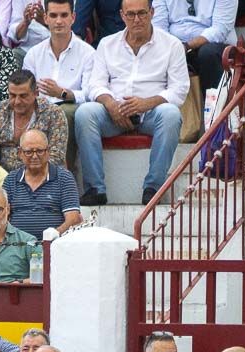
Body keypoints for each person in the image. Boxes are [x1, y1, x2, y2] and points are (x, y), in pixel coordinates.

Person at [76, 0, 187, 206]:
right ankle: (95, 189)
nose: (137, 19)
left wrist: (146, 103)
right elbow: (95, 85)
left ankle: (153, 187)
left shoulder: (172, 45)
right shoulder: (107, 44)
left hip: (152, 113)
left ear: (152, 12)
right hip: (113, 113)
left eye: (142, 13)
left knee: (171, 114)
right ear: (121, 15)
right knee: (85, 113)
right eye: (131, 14)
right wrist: (111, 104)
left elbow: (179, 90)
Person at [23, 0, 95, 167]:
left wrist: (62, 93)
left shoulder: (88, 53)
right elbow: (27, 90)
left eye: (64, 15)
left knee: (62, 113)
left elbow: (90, 93)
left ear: (73, 17)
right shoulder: (33, 54)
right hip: (39, 107)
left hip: (69, 107)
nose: (59, 21)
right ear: (46, 18)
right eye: (53, 15)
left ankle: (62, 175)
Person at [0, 69, 68, 172]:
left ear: (36, 93)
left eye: (23, 96)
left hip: (42, 176)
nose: (17, 101)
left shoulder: (54, 113)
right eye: (12, 95)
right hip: (2, 178)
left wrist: (26, 177)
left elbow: (56, 157)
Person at [4, 129, 81, 239]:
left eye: (39, 151)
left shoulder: (64, 178)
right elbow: (2, 216)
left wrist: (55, 234)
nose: (35, 156)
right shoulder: (11, 180)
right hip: (18, 247)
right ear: (20, 153)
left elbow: (73, 219)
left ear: (48, 152)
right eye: (29, 152)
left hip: (54, 245)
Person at [153, 0, 234, 91]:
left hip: (214, 45)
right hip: (175, 45)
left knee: (208, 53)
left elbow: (220, 30)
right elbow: (158, 28)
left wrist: (186, 46)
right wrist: (174, 47)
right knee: (155, 49)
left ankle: (213, 103)